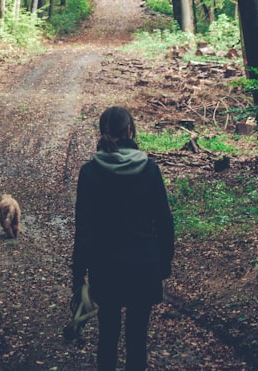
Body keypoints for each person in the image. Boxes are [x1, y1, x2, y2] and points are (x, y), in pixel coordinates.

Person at [71, 106, 175, 371]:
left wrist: (78, 274)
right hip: (144, 265)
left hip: (105, 268)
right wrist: (164, 264)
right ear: (130, 130)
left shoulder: (90, 172)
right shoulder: (149, 169)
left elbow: (84, 229)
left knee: (107, 338)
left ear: (103, 132)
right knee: (137, 341)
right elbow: (164, 222)